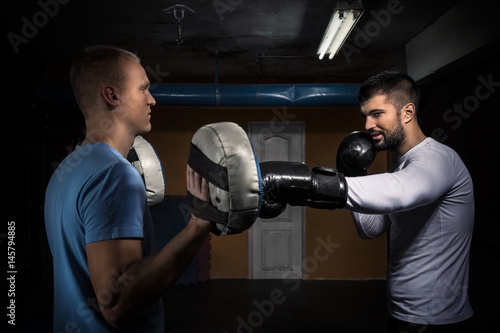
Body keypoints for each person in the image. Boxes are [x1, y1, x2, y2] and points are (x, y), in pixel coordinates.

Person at [259, 71, 474, 332]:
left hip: (436, 318)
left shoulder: (438, 159)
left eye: (377, 114)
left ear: (407, 112)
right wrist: (351, 171)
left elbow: (401, 191)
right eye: (365, 116)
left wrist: (310, 185)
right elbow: (371, 228)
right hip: (404, 310)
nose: (368, 125)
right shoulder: (402, 168)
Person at [44, 45, 212, 332]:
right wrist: (199, 225)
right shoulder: (114, 174)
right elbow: (116, 303)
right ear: (112, 96)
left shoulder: (66, 170)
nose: (152, 100)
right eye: (143, 89)